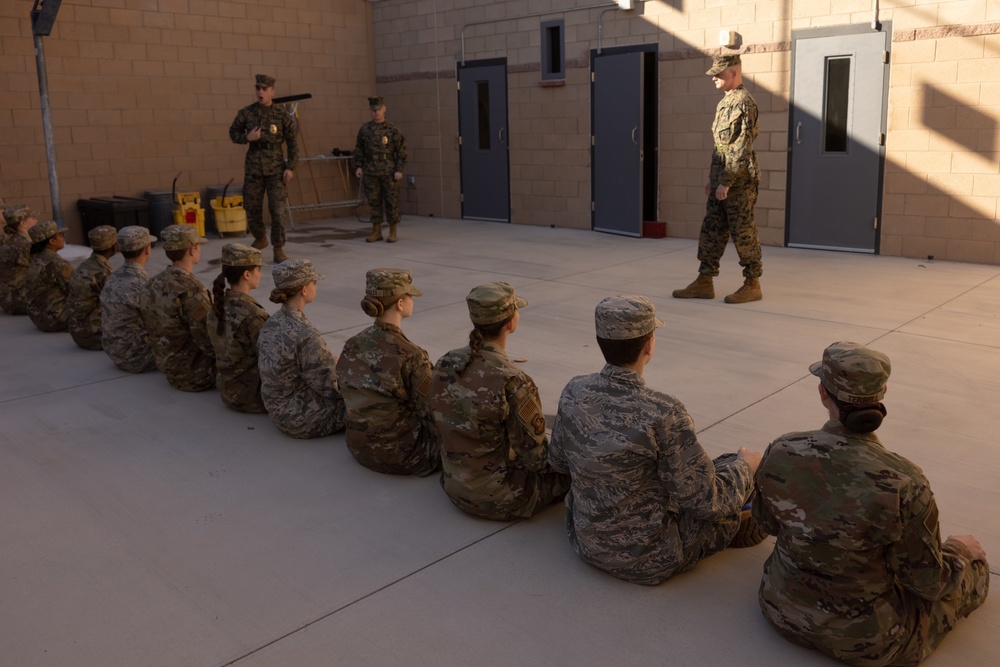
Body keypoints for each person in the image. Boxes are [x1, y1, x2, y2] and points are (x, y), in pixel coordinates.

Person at [752, 341, 990, 666]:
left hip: (779, 610)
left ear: (822, 392)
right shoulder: (904, 481)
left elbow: (766, 524)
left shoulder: (781, 450)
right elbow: (927, 581)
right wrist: (960, 552)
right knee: (975, 572)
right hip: (866, 643)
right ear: (883, 393)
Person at [548, 295, 763, 585]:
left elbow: (559, 461)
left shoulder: (574, 390)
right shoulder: (663, 410)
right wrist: (747, 466)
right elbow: (706, 501)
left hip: (587, 542)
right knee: (733, 469)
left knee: (689, 474)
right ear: (649, 345)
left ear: (601, 341)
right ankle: (746, 513)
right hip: (650, 558)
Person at [429, 282, 569, 521]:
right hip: (500, 498)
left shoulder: (446, 362)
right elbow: (536, 459)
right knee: (576, 472)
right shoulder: (513, 380)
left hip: (453, 485)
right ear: (510, 323)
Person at [673, 53, 762, 304]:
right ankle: (704, 281)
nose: (714, 77)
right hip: (722, 179)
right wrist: (713, 179)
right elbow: (720, 148)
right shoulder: (725, 103)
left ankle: (752, 283)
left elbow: (741, 147)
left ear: (734, 72)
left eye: (719, 73)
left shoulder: (744, 102)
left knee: (743, 231)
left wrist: (726, 181)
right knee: (712, 229)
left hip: (739, 182)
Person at [336, 268, 440, 476]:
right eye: (410, 296)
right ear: (400, 304)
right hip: (403, 457)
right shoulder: (411, 355)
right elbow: (431, 411)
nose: (412, 300)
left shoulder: (352, 344)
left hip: (358, 448)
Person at [258, 259, 346, 439]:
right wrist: (342, 370)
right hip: (299, 419)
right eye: (314, 283)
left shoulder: (271, 323)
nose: (316, 287)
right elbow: (331, 388)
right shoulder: (305, 333)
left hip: (277, 410)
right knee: (368, 406)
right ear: (304, 290)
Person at [229, 73, 298, 263]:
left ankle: (278, 248)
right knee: (251, 207)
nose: (260, 92)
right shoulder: (247, 112)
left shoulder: (281, 114)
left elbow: (293, 143)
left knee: (277, 210)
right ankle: (260, 237)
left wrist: (290, 167)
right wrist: (246, 138)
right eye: (257, 89)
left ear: (272, 91)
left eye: (264, 89)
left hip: (276, 168)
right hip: (254, 167)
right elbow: (233, 132)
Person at [139, 224, 215, 391]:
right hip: (196, 374)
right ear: (193, 250)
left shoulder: (151, 284)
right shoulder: (191, 289)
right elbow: (208, 340)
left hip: (168, 368)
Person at [207, 243, 269, 413]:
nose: (261, 274)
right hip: (252, 396)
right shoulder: (252, 313)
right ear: (247, 274)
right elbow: (271, 360)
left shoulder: (216, 306)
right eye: (258, 269)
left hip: (227, 391)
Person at [101, 226, 158, 373]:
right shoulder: (141, 283)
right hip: (137, 357)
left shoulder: (113, 276)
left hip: (114, 352)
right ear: (147, 249)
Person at [354, 96, 407, 243]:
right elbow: (359, 149)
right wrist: (358, 166)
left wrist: (399, 170)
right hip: (371, 170)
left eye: (378, 109)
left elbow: (401, 151)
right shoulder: (365, 129)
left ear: (384, 109)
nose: (376, 112)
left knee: (391, 201)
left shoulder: (392, 129)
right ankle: (376, 231)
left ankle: (392, 231)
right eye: (373, 110)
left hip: (388, 170)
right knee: (374, 201)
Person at [67, 225, 118, 350]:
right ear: (114, 246)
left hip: (78, 333)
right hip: (95, 336)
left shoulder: (84, 266)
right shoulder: (103, 272)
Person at [25, 220, 73, 332]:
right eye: (61, 235)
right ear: (52, 241)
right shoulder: (56, 262)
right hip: (55, 318)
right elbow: (76, 288)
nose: (63, 238)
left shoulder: (37, 258)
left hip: (38, 316)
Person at [0, 206, 39, 315]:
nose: (36, 220)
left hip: (10, 297)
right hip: (17, 299)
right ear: (23, 223)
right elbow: (42, 272)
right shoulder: (23, 246)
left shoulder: (15, 241)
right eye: (32, 218)